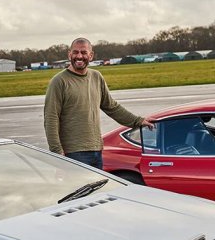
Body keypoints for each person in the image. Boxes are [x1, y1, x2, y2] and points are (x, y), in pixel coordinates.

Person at [44, 37, 153, 169]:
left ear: (91, 55)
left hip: (96, 150)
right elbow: (51, 118)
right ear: (69, 54)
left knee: (98, 190)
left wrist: (138, 121)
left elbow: (111, 107)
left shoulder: (96, 77)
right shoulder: (59, 81)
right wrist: (57, 151)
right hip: (73, 153)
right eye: (75, 52)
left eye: (84, 52)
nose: (79, 56)